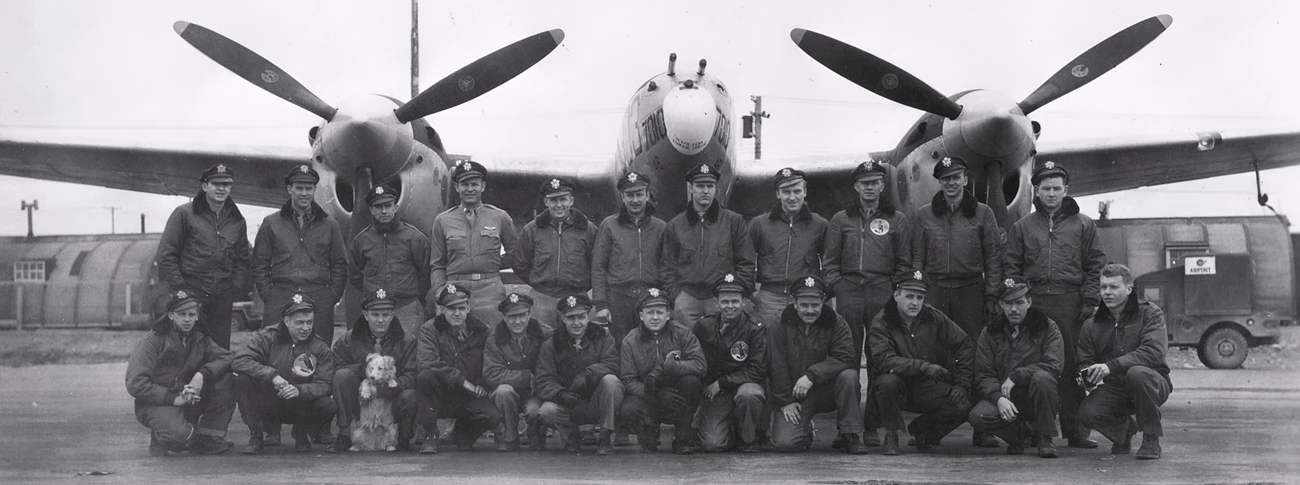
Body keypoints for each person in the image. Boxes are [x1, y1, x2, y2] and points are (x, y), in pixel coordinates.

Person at [1004, 161, 1107, 449]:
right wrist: (1020, 302)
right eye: (1046, 188)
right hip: (1034, 302)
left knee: (1072, 365)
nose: (1051, 194)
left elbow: (1096, 263)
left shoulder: (1084, 224)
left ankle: (1075, 431)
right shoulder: (1022, 227)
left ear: (1066, 190)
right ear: (1036, 190)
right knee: (1032, 365)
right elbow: (1011, 266)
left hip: (1069, 302)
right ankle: (1034, 430)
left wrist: (1089, 300)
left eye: (1057, 188)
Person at [911, 156, 1004, 448]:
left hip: (970, 290)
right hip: (935, 290)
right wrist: (918, 294)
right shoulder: (924, 215)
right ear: (939, 182)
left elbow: (993, 257)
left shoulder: (983, 213)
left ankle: (981, 428)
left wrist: (991, 295)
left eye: (956, 177)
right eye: (945, 178)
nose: (951, 183)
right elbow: (917, 258)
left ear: (965, 179)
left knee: (975, 356)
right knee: (933, 353)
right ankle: (932, 427)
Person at [823, 158, 911, 446]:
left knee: (878, 358)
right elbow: (830, 261)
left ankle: (872, 426)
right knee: (846, 357)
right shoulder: (841, 220)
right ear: (856, 187)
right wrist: (838, 286)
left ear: (883, 185)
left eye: (875, 182)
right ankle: (846, 427)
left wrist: (892, 289)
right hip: (849, 290)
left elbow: (904, 262)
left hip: (881, 291)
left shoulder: (897, 220)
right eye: (864, 183)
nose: (870, 188)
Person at [868, 271, 973, 455]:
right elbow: (884, 360)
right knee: (887, 382)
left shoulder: (933, 317)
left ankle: (923, 431)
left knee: (961, 405)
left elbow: (964, 344)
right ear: (896, 295)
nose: (915, 303)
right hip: (896, 387)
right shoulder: (882, 321)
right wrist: (923, 367)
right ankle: (891, 434)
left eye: (920, 297)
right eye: (909, 296)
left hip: (925, 386)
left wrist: (962, 384)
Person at [1077, 264, 1173, 460]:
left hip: (1151, 383)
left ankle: (1151, 438)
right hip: (1116, 387)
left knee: (1137, 373)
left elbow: (1154, 352)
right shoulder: (1092, 324)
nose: (1107, 292)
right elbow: (1085, 359)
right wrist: (1086, 376)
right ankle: (1124, 431)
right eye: (1103, 287)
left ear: (1129, 289)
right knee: (1088, 413)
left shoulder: (1149, 313)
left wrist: (1110, 366)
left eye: (1114, 287)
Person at [125, 290, 236, 456]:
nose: (187, 320)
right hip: (156, 402)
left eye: (192, 315)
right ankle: (161, 436)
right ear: (171, 315)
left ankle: (206, 437)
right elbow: (135, 382)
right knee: (179, 438)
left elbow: (228, 358)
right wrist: (172, 398)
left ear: (197, 316)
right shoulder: (152, 340)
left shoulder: (201, 339)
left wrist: (201, 375)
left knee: (228, 380)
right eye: (182, 314)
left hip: (188, 397)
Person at [155, 163, 250, 350]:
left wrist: (234, 288)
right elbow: (166, 254)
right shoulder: (184, 214)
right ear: (205, 186)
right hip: (192, 293)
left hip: (222, 296)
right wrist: (182, 287)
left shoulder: (237, 220)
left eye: (226, 184)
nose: (221, 189)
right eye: (216, 184)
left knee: (219, 349)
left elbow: (242, 259)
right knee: (189, 348)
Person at [768, 275, 867, 454]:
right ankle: (805, 430)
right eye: (804, 305)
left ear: (823, 302)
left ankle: (850, 434)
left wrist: (812, 375)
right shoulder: (779, 323)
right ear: (794, 303)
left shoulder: (836, 321)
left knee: (849, 376)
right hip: (795, 394)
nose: (810, 311)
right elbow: (776, 364)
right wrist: (786, 401)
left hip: (826, 391)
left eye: (815, 305)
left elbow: (846, 357)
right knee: (785, 444)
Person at [967, 276, 1064, 458]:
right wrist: (997, 398)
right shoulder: (990, 332)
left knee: (1043, 378)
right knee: (977, 416)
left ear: (1029, 302)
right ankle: (1018, 435)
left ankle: (1045, 439)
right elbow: (983, 374)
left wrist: (1017, 376)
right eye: (1008, 303)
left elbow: (1053, 365)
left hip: (1036, 396)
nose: (1013, 309)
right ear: (1000, 305)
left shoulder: (1047, 327)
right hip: (1006, 396)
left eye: (1019, 302)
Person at [252, 163, 348, 345]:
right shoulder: (271, 223)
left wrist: (331, 296)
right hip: (281, 295)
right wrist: (268, 294)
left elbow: (340, 264)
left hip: (318, 297)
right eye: (299, 188)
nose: (304, 193)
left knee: (318, 350)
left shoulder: (330, 225)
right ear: (290, 189)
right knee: (275, 348)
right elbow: (259, 263)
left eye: (309, 188)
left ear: (314, 190)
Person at [233, 293, 338, 454]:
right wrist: (272, 376)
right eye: (299, 322)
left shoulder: (319, 347)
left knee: (328, 405)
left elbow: (325, 384)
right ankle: (256, 435)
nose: (305, 328)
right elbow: (239, 360)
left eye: (309, 322)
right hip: (270, 400)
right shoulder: (267, 337)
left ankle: (301, 432)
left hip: (300, 405)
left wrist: (299, 390)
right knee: (243, 380)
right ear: (287, 321)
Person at [661, 163, 756, 329]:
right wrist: (676, 297)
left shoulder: (733, 221)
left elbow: (746, 262)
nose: (705, 191)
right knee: (687, 342)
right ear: (690, 188)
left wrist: (734, 293)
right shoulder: (675, 225)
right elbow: (667, 267)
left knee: (722, 342)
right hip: (687, 299)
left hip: (721, 298)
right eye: (700, 186)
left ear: (715, 188)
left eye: (710, 186)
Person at [327, 288, 419, 453]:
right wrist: (364, 371)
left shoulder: (407, 340)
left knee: (410, 395)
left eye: (385, 315)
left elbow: (412, 375)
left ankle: (403, 437)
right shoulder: (348, 339)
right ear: (366, 315)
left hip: (391, 402)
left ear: (392, 315)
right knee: (342, 376)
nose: (380, 320)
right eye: (375, 314)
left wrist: (381, 391)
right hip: (361, 401)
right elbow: (337, 367)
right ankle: (344, 434)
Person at [430, 160, 519, 329]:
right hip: (454, 290)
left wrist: (491, 263)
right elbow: (437, 264)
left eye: (474, 184)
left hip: (490, 290)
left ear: (483, 186)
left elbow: (515, 253)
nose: (469, 189)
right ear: (457, 187)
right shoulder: (443, 220)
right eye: (464, 184)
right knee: (454, 338)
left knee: (492, 336)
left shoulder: (500, 217)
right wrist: (440, 291)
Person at [618, 287, 707, 454]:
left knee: (691, 382)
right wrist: (655, 394)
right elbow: (628, 380)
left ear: (668, 315)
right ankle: (649, 433)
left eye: (659, 312)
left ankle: (682, 438)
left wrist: (667, 367)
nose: (655, 317)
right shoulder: (630, 341)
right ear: (641, 315)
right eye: (649, 312)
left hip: (675, 396)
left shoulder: (682, 333)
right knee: (628, 408)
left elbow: (700, 365)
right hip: (648, 397)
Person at [535, 294, 625, 454]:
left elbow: (612, 364)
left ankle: (605, 436)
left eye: (581, 317)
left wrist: (589, 374)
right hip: (567, 404)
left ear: (588, 317)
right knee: (547, 410)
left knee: (611, 381)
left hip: (595, 401)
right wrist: (560, 394)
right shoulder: (551, 344)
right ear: (563, 318)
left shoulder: (602, 337)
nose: (577, 323)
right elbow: (544, 379)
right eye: (571, 318)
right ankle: (571, 437)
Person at [414, 283, 499, 453]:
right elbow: (427, 361)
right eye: (451, 308)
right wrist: (461, 381)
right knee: (425, 376)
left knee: (492, 416)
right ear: (442, 310)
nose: (457, 313)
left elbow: (491, 360)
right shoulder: (430, 329)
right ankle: (431, 433)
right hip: (441, 393)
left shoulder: (482, 331)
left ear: (468, 308)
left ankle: (463, 432)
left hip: (469, 395)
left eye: (461, 308)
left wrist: (483, 383)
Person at [693, 274, 767, 453]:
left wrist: (721, 382)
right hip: (718, 392)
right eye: (725, 302)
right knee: (713, 444)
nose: (730, 306)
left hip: (745, 384)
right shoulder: (703, 326)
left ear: (744, 302)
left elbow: (757, 370)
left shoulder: (755, 328)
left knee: (749, 395)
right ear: (716, 303)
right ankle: (731, 428)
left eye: (735, 301)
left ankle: (748, 438)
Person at [592, 170, 667, 346]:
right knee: (621, 345)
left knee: (651, 345)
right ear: (622, 197)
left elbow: (666, 266)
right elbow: (598, 266)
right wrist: (601, 304)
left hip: (650, 297)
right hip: (619, 299)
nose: (635, 200)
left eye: (639, 194)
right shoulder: (609, 225)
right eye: (630, 195)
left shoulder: (660, 227)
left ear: (647, 195)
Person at [747, 167, 828, 328]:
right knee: (768, 341)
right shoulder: (759, 224)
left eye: (797, 191)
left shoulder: (819, 225)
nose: (792, 197)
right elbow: (745, 259)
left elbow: (830, 261)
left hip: (805, 297)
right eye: (786, 192)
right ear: (778, 194)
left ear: (805, 192)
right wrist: (752, 292)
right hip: (769, 299)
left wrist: (823, 293)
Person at [513, 177, 598, 327]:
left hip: (576, 297)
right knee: (540, 336)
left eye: (563, 199)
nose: (558, 205)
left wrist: (581, 286)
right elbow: (520, 264)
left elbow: (596, 264)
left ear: (571, 200)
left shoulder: (588, 229)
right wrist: (539, 281)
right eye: (553, 200)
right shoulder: (531, 230)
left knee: (575, 336)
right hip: (542, 298)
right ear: (546, 202)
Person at [348, 184, 431, 334]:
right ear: (371, 210)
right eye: (378, 207)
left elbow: (426, 273)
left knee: (409, 347)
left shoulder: (415, 238)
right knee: (376, 348)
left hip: (406, 309)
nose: (384, 211)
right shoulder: (361, 241)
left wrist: (416, 299)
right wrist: (373, 292)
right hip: (375, 309)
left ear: (395, 207)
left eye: (388, 205)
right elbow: (355, 275)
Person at [482, 292, 553, 452]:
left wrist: (539, 380)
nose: (518, 321)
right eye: (512, 317)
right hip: (510, 393)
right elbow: (491, 373)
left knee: (534, 410)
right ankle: (509, 436)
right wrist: (526, 377)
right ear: (504, 317)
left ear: (529, 314)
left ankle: (536, 432)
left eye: (522, 315)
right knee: (503, 392)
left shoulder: (544, 333)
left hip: (536, 393)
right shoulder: (495, 339)